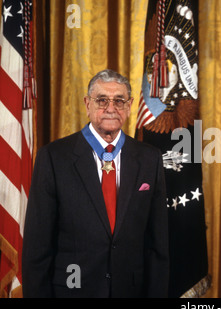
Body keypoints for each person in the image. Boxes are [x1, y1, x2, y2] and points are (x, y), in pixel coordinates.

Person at [22, 69, 169, 297]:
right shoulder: (53, 157)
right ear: (87, 104)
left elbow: (158, 245)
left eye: (119, 101)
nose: (111, 108)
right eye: (102, 100)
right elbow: (37, 250)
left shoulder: (150, 158)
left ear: (129, 106)